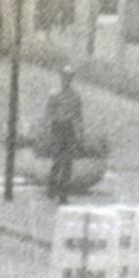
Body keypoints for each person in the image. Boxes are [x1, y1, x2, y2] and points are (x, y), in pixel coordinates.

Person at [39, 65, 89, 200]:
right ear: (61, 78)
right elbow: (48, 114)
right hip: (57, 127)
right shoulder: (54, 95)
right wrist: (45, 131)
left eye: (69, 77)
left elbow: (79, 117)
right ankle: (51, 188)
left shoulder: (75, 97)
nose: (66, 80)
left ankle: (63, 194)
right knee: (57, 160)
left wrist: (81, 134)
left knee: (67, 162)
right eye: (64, 77)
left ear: (71, 79)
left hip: (68, 128)